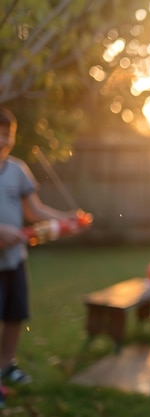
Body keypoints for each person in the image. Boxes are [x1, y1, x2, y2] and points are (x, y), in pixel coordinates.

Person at [0, 107, 81, 396]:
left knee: (14, 315)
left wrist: (66, 218)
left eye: (7, 134)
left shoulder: (17, 170)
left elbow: (34, 210)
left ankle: (6, 366)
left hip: (14, 259)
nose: (2, 140)